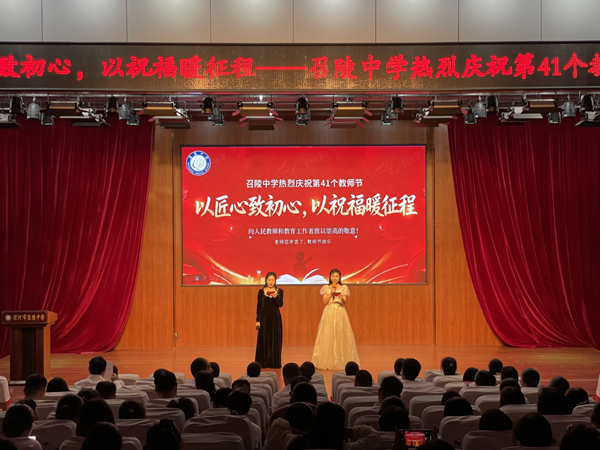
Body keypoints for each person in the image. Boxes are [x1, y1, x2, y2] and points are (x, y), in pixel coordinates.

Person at [311, 269, 359, 370]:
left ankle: (341, 359)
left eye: (337, 276)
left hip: (340, 310)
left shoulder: (343, 287)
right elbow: (324, 301)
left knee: (340, 333)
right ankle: (326, 360)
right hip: (329, 311)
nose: (335, 278)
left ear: (340, 277)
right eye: (333, 276)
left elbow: (345, 302)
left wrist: (341, 297)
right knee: (328, 334)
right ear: (330, 277)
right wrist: (331, 293)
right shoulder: (326, 287)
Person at [288, 402, 379, 450]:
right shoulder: (349, 448)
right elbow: (373, 435)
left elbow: (280, 423)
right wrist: (336, 429)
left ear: (314, 422)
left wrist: (315, 430)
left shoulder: (293, 444)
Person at [255, 272, 284, 369]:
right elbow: (259, 307)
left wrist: (276, 297)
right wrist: (258, 320)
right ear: (266, 280)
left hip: (275, 319)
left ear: (275, 281)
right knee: (263, 340)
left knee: (275, 339)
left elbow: (280, 304)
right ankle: (263, 362)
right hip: (264, 318)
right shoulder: (261, 292)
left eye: (273, 280)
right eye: (269, 280)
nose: (271, 282)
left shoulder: (279, 291)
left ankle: (274, 362)